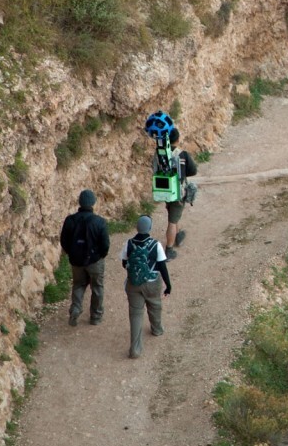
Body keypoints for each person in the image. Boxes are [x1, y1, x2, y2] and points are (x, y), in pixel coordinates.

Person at [120, 215, 172, 359]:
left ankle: (135, 349)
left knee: (135, 314)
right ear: (149, 228)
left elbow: (124, 263)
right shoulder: (156, 245)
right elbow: (162, 266)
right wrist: (168, 285)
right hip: (152, 283)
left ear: (137, 227)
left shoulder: (128, 243)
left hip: (133, 284)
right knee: (155, 305)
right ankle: (156, 329)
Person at [59, 189, 110, 326]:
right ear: (93, 203)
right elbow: (105, 244)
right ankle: (96, 316)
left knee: (78, 284)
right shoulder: (99, 222)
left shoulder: (70, 220)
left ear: (80, 203)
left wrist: (71, 253)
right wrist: (100, 256)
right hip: (95, 261)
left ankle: (75, 308)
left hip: (76, 260)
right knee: (97, 287)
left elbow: (64, 241)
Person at [163, 127, 197, 261]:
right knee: (172, 220)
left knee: (173, 214)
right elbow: (193, 171)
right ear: (178, 139)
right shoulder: (182, 155)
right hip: (177, 191)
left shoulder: (160, 154)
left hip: (164, 190)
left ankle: (177, 236)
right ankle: (169, 249)